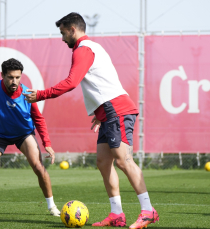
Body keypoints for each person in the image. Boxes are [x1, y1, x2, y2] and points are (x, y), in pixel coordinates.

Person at [23, 13, 159, 228]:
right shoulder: (94, 48)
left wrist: (40, 94)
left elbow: (71, 82)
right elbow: (103, 81)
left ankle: (148, 210)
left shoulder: (83, 50)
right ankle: (117, 214)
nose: (62, 38)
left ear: (72, 29)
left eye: (62, 33)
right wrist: (99, 113)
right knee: (104, 163)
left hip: (117, 110)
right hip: (108, 112)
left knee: (124, 160)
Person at [0, 58, 60, 216]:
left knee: (39, 167)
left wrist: (47, 143)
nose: (14, 81)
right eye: (10, 77)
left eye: (18, 77)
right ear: (3, 75)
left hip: (23, 135)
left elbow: (39, 119)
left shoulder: (27, 94)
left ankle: (52, 206)